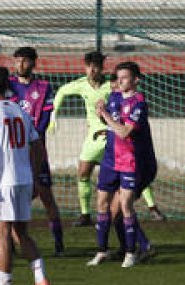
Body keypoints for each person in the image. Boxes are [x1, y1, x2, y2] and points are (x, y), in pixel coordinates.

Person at [50, 51, 165, 226]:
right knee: (83, 172)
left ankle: (151, 206)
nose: (92, 70)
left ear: (102, 68)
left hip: (115, 135)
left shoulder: (113, 86)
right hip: (94, 137)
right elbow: (61, 92)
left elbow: (128, 104)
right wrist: (53, 117)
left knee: (129, 173)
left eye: (96, 66)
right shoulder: (81, 85)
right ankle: (85, 214)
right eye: (89, 66)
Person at [0, 65, 52, 285]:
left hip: (2, 182)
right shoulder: (20, 111)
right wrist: (36, 174)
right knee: (21, 232)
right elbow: (38, 146)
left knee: (2, 235)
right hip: (24, 179)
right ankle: (40, 279)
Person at [89, 61, 158, 268]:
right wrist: (100, 112)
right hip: (111, 159)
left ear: (136, 79)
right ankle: (110, 250)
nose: (119, 81)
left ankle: (133, 250)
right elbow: (110, 123)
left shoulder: (139, 103)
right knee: (106, 207)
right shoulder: (115, 97)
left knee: (121, 208)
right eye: (118, 77)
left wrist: (105, 116)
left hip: (134, 161)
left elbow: (124, 132)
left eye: (124, 77)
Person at [8, 47, 65, 255]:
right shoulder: (8, 86)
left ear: (33, 63)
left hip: (36, 149)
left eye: (24, 61)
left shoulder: (43, 87)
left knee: (45, 195)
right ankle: (14, 245)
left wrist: (32, 136)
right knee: (14, 197)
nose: (20, 65)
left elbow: (45, 118)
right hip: (14, 150)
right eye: (17, 61)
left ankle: (59, 244)